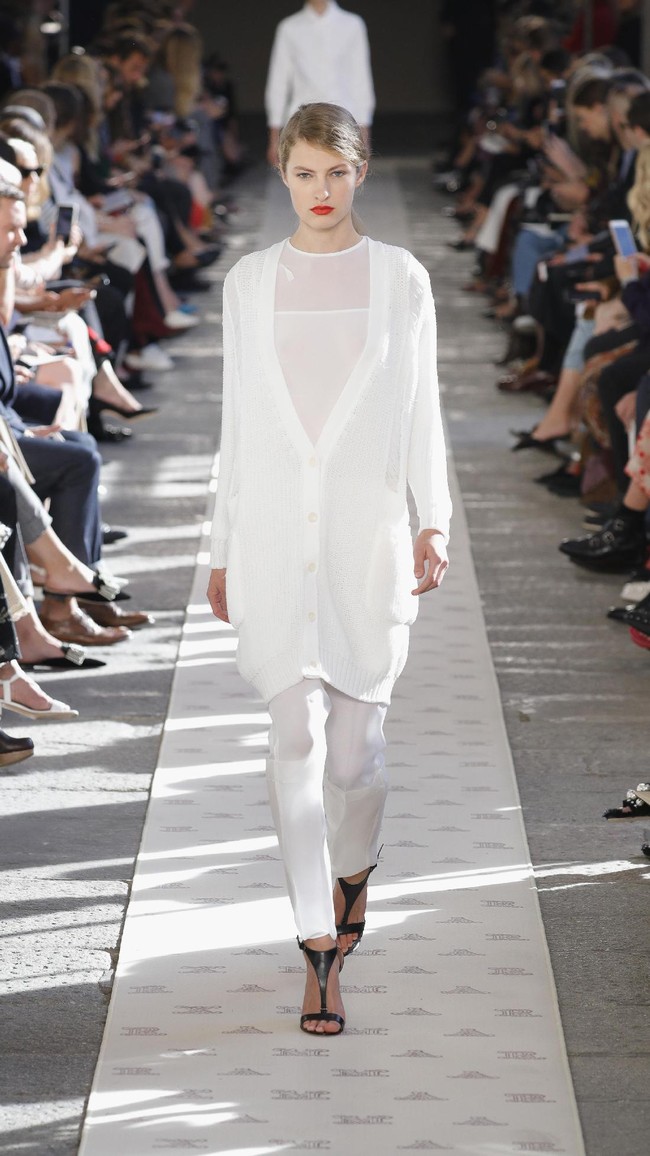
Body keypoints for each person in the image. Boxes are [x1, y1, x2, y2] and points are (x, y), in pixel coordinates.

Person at [207, 102, 451, 1035]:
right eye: (304, 173)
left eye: (336, 174)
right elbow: (236, 422)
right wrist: (222, 546)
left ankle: (357, 870)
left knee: (357, 758)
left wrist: (432, 519)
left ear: (361, 171)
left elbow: (422, 407)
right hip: (273, 539)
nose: (320, 191)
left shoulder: (401, 278)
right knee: (296, 746)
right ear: (282, 171)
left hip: (364, 540)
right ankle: (317, 948)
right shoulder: (248, 282)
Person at [265, 1, 375, 167]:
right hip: (301, 122)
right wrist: (274, 138)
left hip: (342, 121)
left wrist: (364, 134)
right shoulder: (290, 28)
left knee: (339, 184)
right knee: (304, 182)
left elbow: (360, 80)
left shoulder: (352, 25)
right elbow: (278, 82)